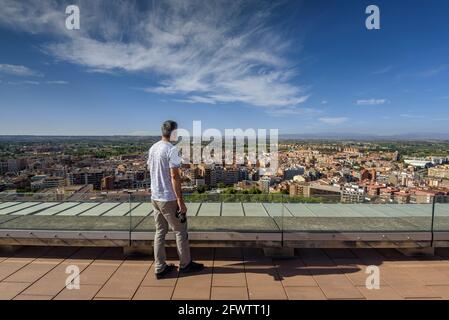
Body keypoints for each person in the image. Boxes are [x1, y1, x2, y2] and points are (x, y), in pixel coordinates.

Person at [147, 120, 204, 279]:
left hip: (155, 196)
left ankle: (160, 267)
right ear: (173, 133)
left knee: (160, 232)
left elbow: (152, 170)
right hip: (168, 197)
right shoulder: (171, 150)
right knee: (180, 230)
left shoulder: (153, 148)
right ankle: (185, 264)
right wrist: (180, 201)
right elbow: (174, 176)